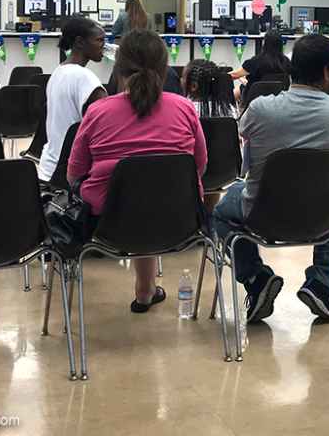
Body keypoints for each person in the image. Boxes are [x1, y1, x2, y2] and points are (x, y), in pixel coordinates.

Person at [213, 34, 329, 324]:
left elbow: (244, 140)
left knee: (220, 213)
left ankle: (256, 277)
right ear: (328, 72)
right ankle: (322, 284)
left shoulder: (261, 109)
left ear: (293, 69)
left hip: (262, 216)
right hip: (320, 217)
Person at [68, 29, 207, 313]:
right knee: (148, 198)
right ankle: (145, 290)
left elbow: (73, 175)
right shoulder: (184, 108)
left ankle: (144, 289)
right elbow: (200, 166)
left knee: (135, 200)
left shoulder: (98, 112)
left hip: (109, 223)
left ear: (119, 66)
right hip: (179, 219)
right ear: (165, 66)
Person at [37, 17, 107, 183]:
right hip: (70, 173)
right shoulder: (85, 78)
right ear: (80, 42)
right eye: (99, 40)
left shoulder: (58, 71)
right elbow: (106, 126)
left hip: (49, 168)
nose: (104, 45)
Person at [230, 29, 291, 99]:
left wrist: (220, 75)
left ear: (264, 43)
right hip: (280, 98)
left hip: (255, 98)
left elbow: (234, 75)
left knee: (235, 91)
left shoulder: (255, 61)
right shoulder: (286, 61)